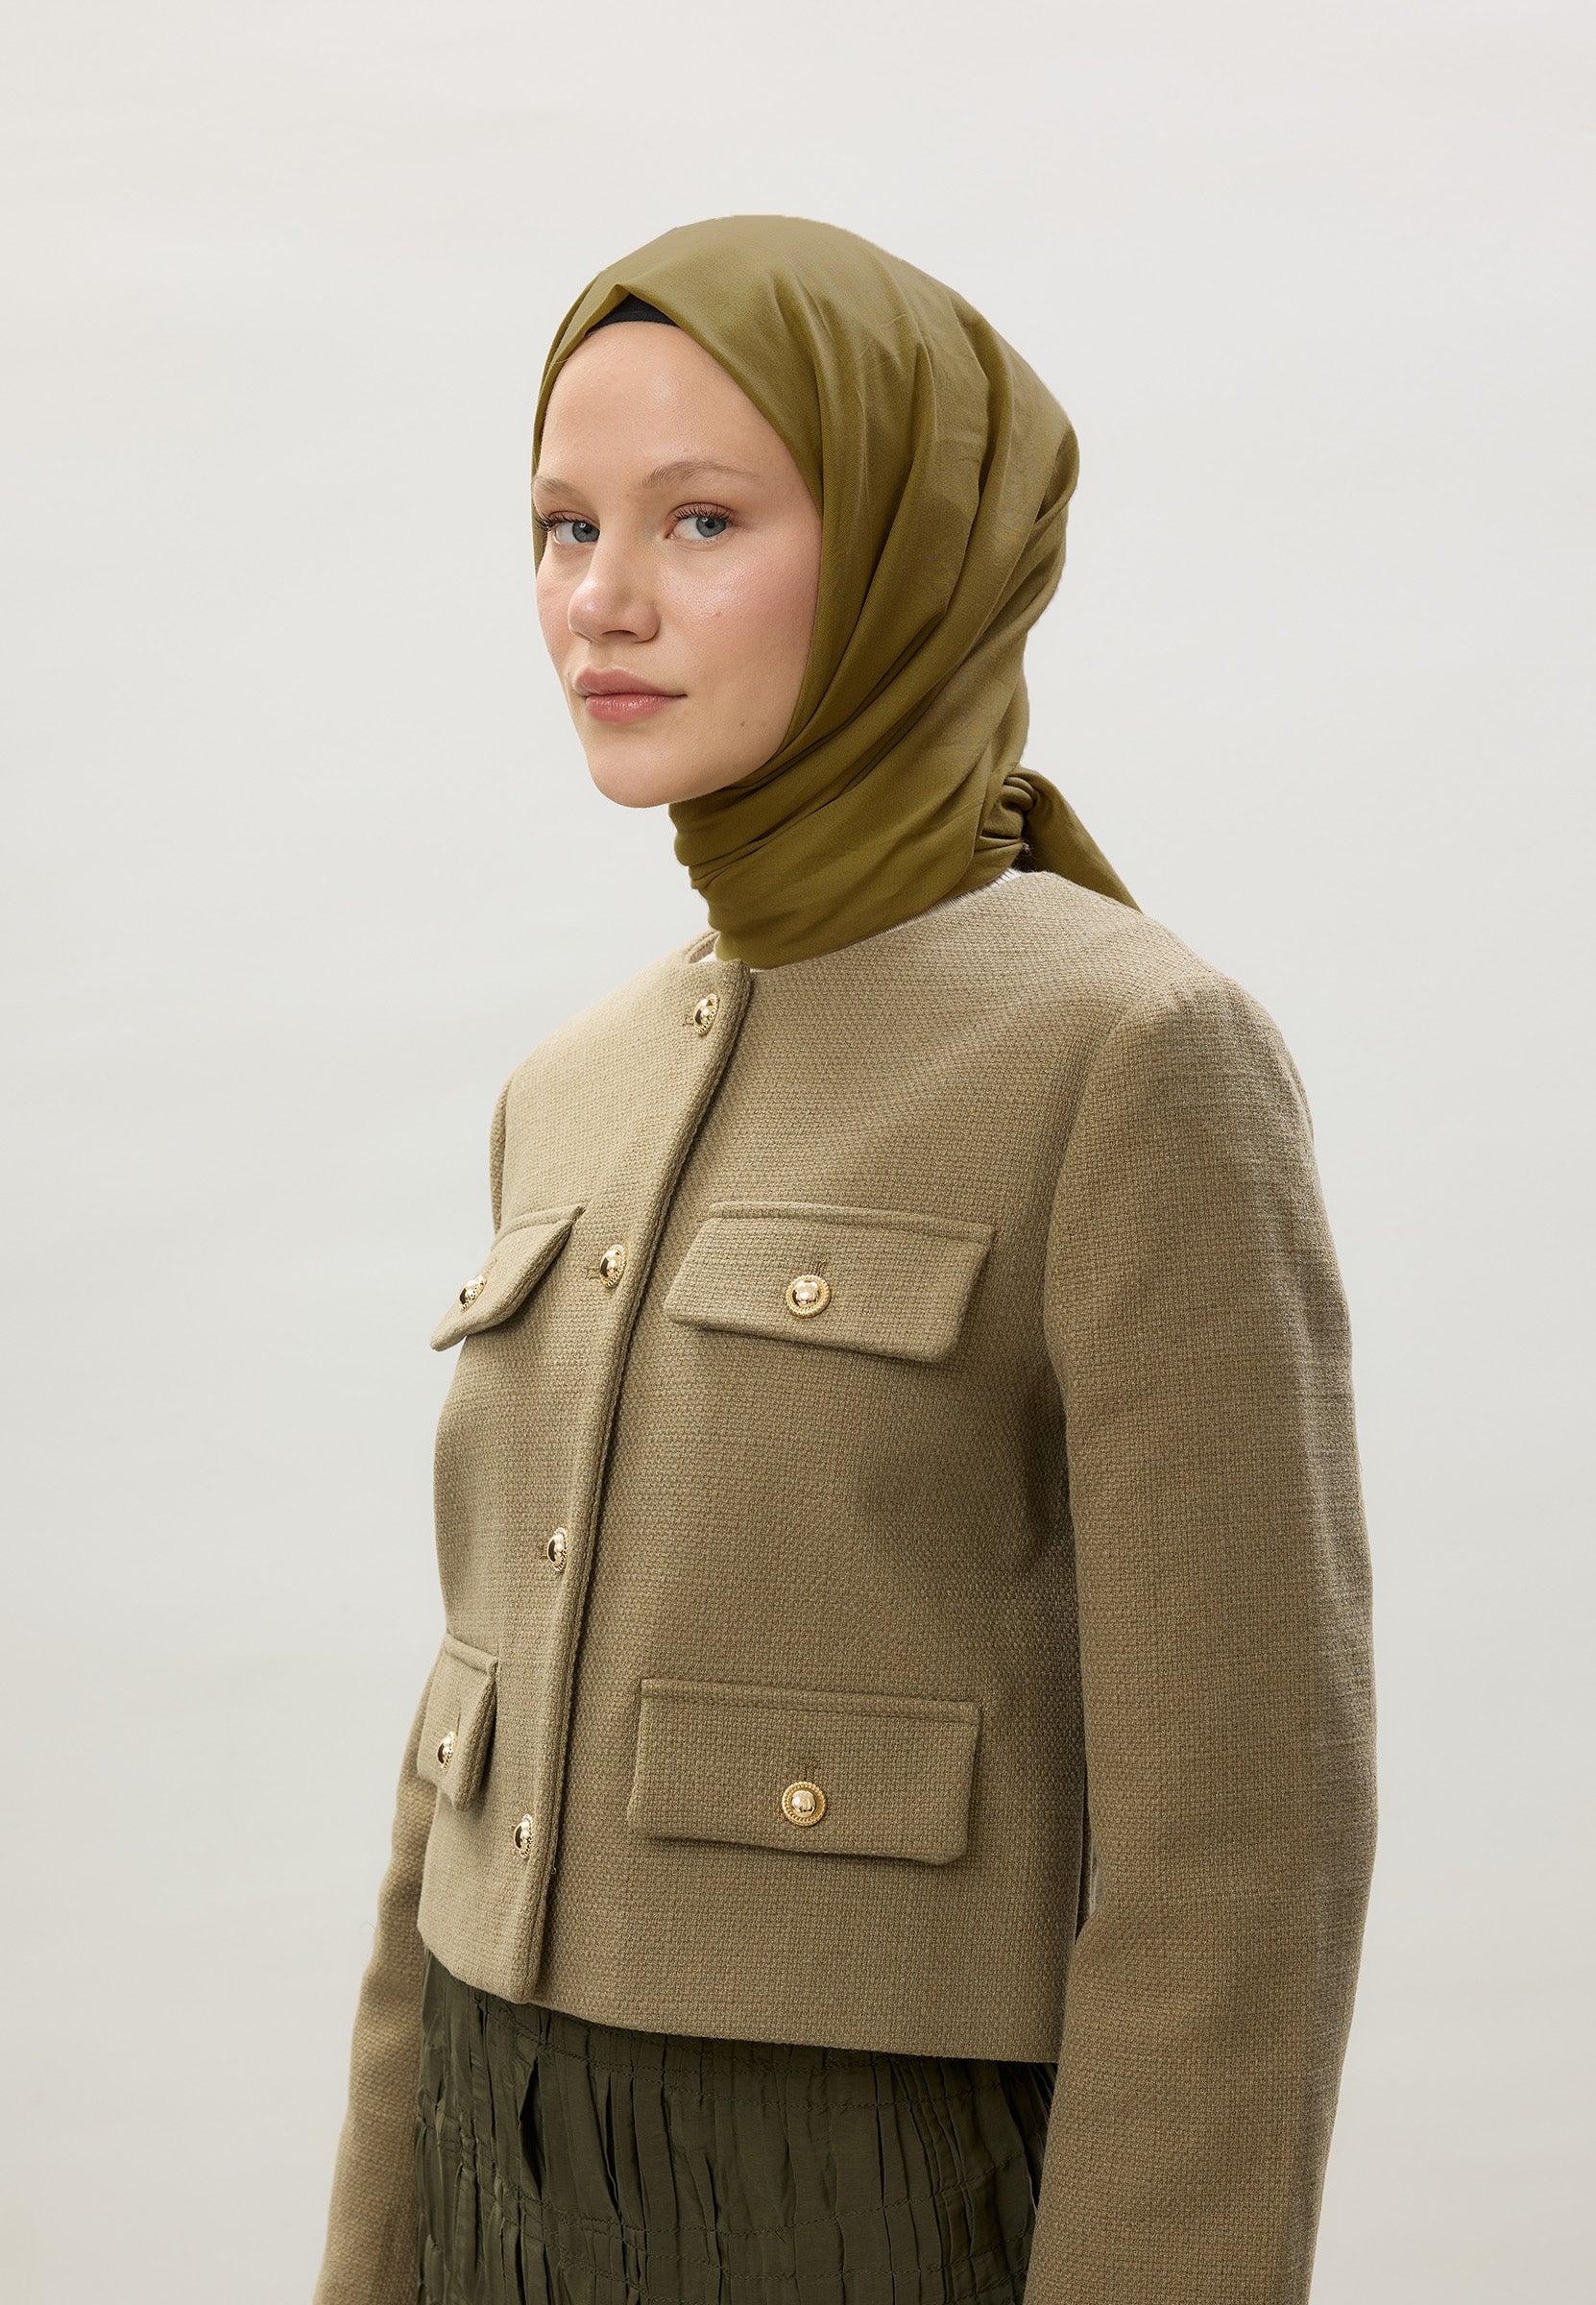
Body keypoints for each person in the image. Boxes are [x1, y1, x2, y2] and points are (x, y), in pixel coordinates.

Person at [313, 215, 1377, 2305]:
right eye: (560, 525)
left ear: (910, 549)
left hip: (876, 2212)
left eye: (699, 519)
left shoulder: (1129, 1056)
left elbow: (1242, 1853)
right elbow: (455, 1769)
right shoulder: (569, 1089)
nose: (601, 597)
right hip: (490, 2185)